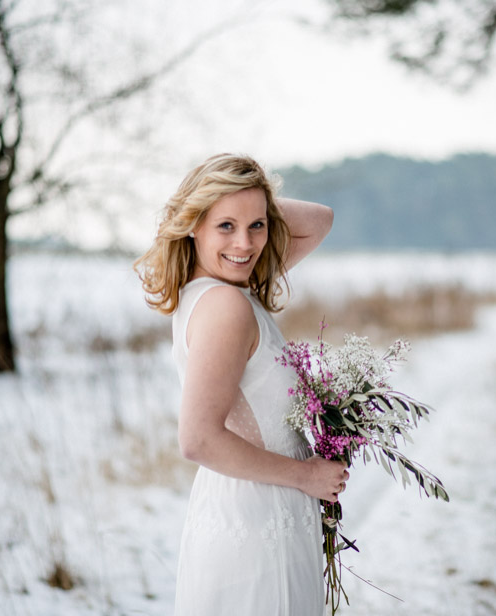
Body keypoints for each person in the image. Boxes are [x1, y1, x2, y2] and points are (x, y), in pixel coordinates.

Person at [133, 153, 348, 615]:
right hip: (257, 522)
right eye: (225, 226)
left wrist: (249, 196)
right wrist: (306, 475)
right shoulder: (225, 307)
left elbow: (320, 220)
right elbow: (199, 439)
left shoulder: (222, 288)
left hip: (253, 507)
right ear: (194, 224)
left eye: (257, 225)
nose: (245, 244)